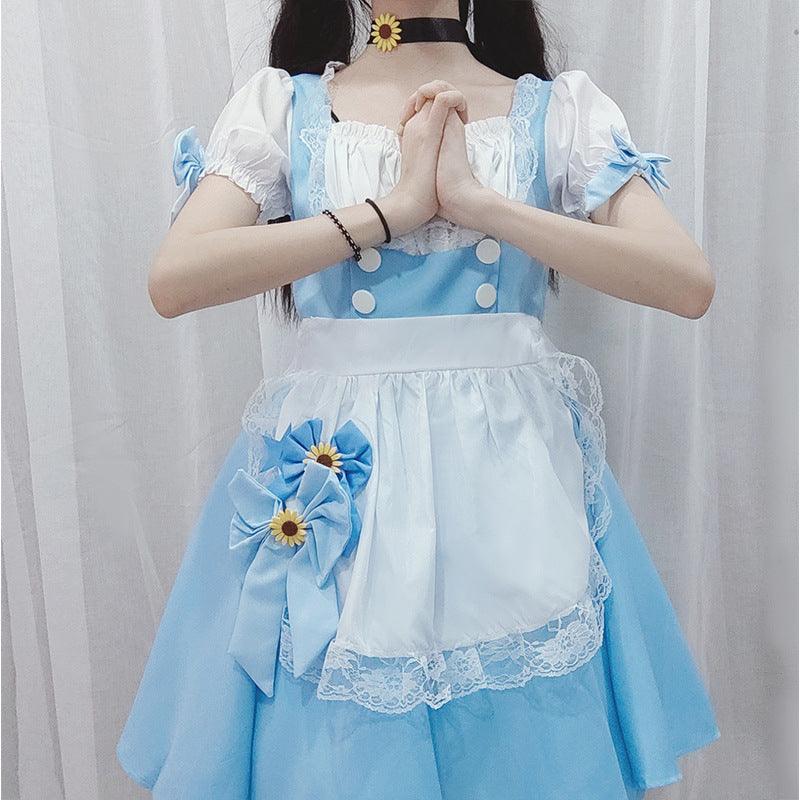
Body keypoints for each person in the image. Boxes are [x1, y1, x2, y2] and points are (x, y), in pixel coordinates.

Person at [117, 2, 720, 798]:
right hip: (340, 487)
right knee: (342, 757)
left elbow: (685, 281)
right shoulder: (286, 108)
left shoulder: (558, 112)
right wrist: (388, 212)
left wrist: (481, 203)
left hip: (509, 485)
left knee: (520, 748)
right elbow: (175, 278)